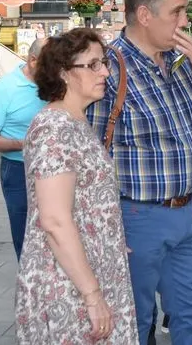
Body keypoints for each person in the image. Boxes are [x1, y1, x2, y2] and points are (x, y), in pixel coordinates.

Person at [87, 0, 192, 344]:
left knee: (190, 313)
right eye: (177, 12)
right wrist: (105, 226)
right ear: (145, 15)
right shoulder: (108, 70)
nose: (186, 21)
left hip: (185, 213)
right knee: (134, 319)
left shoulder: (179, 63)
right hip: (136, 216)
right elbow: (91, 158)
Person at [15, 29, 138, 344]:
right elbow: (54, 220)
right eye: (93, 65)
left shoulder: (75, 121)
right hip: (67, 285)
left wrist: (107, 238)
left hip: (86, 270)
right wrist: (92, 296)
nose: (105, 72)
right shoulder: (54, 128)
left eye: (104, 63)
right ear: (63, 72)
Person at [0, 38, 47, 261]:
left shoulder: (58, 85)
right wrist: (24, 144)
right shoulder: (6, 88)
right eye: (51, 63)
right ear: (33, 60)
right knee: (25, 237)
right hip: (19, 169)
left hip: (54, 169)